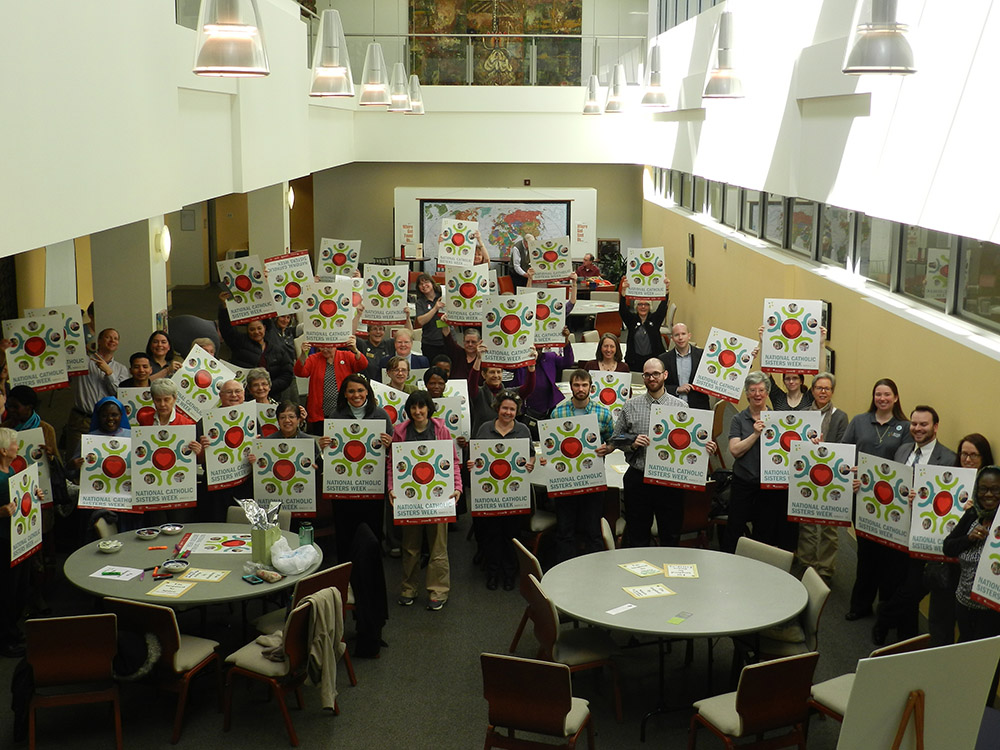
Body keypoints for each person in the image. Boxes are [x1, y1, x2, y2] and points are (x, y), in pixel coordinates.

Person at [872, 406, 956, 645]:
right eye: (914, 424)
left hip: (924, 533)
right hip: (897, 528)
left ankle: (885, 618)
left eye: (924, 424)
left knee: (912, 586)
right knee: (895, 579)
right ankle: (904, 635)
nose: (918, 429)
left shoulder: (948, 458)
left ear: (935, 427)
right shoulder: (903, 450)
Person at [611, 358, 717, 547]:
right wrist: (632, 442)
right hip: (638, 478)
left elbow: (691, 442)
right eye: (647, 374)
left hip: (670, 481)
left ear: (665, 375)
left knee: (670, 534)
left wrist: (705, 447)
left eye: (656, 374)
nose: (652, 378)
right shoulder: (630, 406)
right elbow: (615, 439)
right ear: (643, 377)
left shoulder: (681, 407)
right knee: (637, 534)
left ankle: (668, 572)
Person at [843, 378, 914, 622]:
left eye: (887, 395)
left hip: (891, 503)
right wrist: (851, 472)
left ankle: (886, 608)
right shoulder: (859, 421)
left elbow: (905, 463)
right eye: (878, 394)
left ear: (895, 397)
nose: (882, 399)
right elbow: (844, 452)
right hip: (862, 497)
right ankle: (860, 604)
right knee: (865, 554)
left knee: (889, 558)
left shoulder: (905, 427)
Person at [389, 390, 462, 611]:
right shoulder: (400, 432)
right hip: (409, 498)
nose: (418, 411)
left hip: (438, 497)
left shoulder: (441, 430)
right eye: (413, 407)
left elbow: (453, 462)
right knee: (410, 546)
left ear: (429, 408)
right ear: (409, 410)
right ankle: (408, 588)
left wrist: (458, 488)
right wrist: (392, 489)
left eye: (422, 407)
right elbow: (392, 464)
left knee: (438, 547)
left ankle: (438, 590)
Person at [927, 433, 994, 647]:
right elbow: (949, 544)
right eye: (964, 454)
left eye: (974, 455)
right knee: (941, 620)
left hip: (983, 589)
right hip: (949, 569)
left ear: (984, 457)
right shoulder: (947, 479)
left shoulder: (988, 493)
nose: (967, 459)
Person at [469, 390, 537, 589]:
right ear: (497, 408)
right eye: (504, 408)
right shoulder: (484, 428)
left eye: (512, 409)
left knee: (511, 535)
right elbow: (476, 454)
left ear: (517, 411)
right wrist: (472, 464)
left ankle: (509, 573)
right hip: (489, 494)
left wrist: (530, 463)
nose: (508, 412)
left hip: (513, 494)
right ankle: (492, 572)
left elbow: (531, 454)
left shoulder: (523, 430)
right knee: (491, 535)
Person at [725, 371, 794, 553]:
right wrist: (755, 434)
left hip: (768, 486)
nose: (757, 394)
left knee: (764, 533)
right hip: (744, 482)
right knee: (735, 528)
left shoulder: (778, 419)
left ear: (767, 392)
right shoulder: (738, 419)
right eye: (753, 390)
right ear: (747, 393)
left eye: (762, 390)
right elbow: (735, 451)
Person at [549, 370, 614, 561]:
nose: (580, 389)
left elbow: (612, 441)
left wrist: (607, 448)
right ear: (571, 388)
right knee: (564, 529)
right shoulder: (557, 412)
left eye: (584, 385)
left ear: (590, 387)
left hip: (592, 478)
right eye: (577, 385)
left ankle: (593, 570)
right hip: (565, 480)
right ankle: (565, 571)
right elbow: (551, 444)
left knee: (593, 529)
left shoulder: (603, 413)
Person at [329, 376, 394, 562]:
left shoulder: (381, 414)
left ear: (367, 392)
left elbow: (393, 448)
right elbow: (333, 449)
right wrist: (325, 443)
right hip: (344, 482)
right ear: (345, 394)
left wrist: (390, 443)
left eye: (360, 390)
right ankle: (345, 564)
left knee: (372, 523)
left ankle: (371, 560)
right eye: (351, 391)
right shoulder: (336, 415)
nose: (356, 395)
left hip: (372, 479)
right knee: (345, 525)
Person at [795, 372, 849, 584]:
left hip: (832, 476)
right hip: (807, 474)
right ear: (813, 391)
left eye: (827, 389)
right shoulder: (804, 413)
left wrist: (826, 447)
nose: (823, 392)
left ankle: (825, 569)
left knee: (828, 526)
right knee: (806, 523)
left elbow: (844, 445)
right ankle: (806, 564)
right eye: (819, 388)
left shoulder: (840, 416)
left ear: (832, 391)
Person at [0, 427, 44, 658]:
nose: (18, 447)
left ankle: (13, 632)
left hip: (19, 540)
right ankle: (6, 638)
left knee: (19, 588)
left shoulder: (12, 470)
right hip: (4, 542)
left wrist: (33, 494)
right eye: (15, 444)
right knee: (7, 591)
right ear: (4, 450)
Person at [943, 466, 1000, 644]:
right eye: (983, 489)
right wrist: (969, 538)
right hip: (964, 602)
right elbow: (948, 547)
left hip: (992, 608)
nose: (988, 494)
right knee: (964, 650)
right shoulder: (973, 514)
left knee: (986, 659)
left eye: (995, 489)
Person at [65, 328, 129, 460]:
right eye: (108, 337)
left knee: (103, 459)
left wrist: (109, 373)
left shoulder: (121, 369)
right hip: (81, 420)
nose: (112, 340)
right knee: (75, 460)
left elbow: (120, 395)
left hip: (108, 423)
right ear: (99, 341)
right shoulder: (82, 363)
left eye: (115, 338)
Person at [218, 301, 294, 397]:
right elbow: (227, 330)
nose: (256, 332)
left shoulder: (277, 349)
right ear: (247, 330)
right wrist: (224, 308)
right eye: (252, 329)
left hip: (272, 397)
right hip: (245, 396)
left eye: (259, 328)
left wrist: (267, 387)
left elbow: (287, 375)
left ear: (264, 328)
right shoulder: (239, 342)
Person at [294, 338, 368, 434]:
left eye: (328, 347)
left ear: (335, 345)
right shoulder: (314, 359)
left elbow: (363, 365)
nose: (325, 350)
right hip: (320, 414)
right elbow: (300, 372)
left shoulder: (346, 356)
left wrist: (355, 350)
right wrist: (303, 354)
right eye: (322, 347)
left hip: (344, 412)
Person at [619, 277, 669, 372]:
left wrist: (666, 290)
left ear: (650, 307)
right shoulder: (631, 320)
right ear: (636, 306)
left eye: (646, 304)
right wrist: (623, 292)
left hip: (654, 362)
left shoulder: (655, 320)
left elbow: (663, 307)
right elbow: (622, 310)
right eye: (640, 304)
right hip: (634, 362)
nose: (643, 307)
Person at [658, 323, 710, 410]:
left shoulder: (703, 356)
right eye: (676, 335)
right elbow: (659, 385)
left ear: (689, 336)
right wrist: (677, 389)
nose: (680, 338)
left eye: (683, 334)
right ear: (672, 338)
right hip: (671, 406)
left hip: (698, 406)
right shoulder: (664, 359)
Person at [413, 273, 447, 362]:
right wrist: (435, 308)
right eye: (421, 284)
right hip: (430, 342)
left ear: (432, 283)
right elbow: (420, 321)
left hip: (447, 340)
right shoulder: (420, 302)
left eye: (426, 282)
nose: (424, 285)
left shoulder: (443, 295)